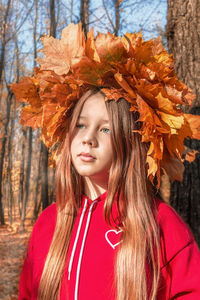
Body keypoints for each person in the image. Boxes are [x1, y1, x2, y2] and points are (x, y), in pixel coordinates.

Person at [11, 23, 200, 300]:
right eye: (81, 126)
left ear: (129, 143)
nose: (88, 138)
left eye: (105, 129)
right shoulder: (48, 223)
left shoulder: (160, 225)